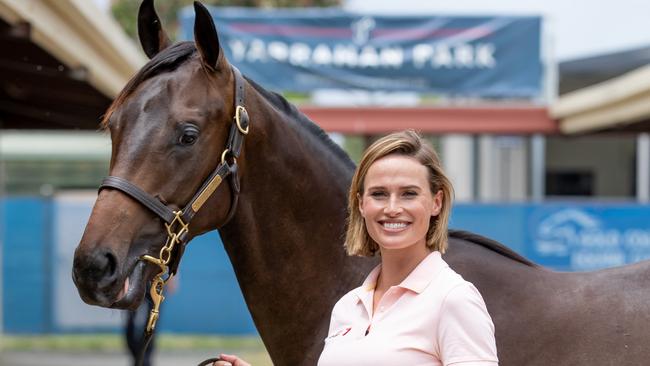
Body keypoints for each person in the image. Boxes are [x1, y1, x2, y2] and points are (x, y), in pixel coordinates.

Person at [212, 130, 498, 366]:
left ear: (436, 202)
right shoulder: (348, 307)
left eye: (409, 194)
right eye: (379, 194)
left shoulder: (454, 300)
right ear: (361, 204)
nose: (392, 208)